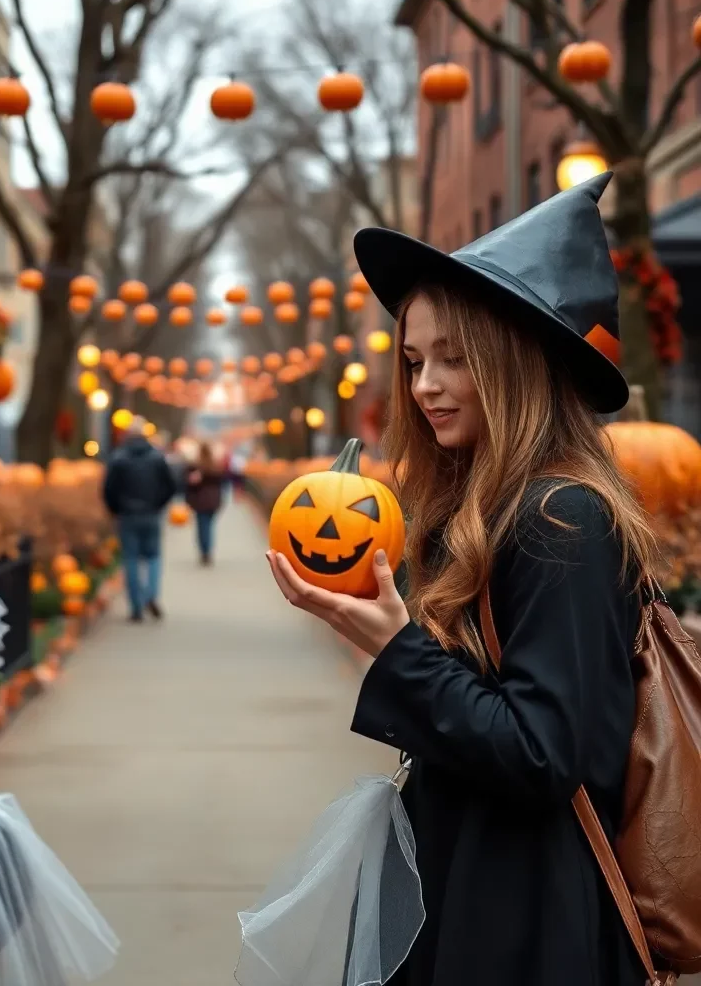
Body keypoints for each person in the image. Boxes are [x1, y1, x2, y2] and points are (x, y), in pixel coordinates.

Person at [266, 173, 658, 985]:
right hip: (469, 885)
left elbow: (544, 755)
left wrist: (395, 646)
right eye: (413, 360)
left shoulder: (563, 520)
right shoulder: (489, 509)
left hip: (526, 923)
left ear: (517, 363)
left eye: (453, 359)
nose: (423, 386)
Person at [103, 416, 177, 621]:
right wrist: (158, 504)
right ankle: (151, 595)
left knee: (131, 559)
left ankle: (136, 606)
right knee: (153, 557)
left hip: (127, 516)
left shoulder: (118, 458)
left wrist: (115, 509)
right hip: (151, 515)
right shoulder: (156, 457)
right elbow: (170, 486)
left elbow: (109, 489)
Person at [184, 442, 225, 566]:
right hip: (213, 501)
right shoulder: (215, 467)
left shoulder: (197, 467)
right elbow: (221, 482)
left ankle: (204, 551)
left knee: (202, 527)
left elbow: (189, 484)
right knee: (208, 526)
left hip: (200, 501)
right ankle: (207, 550)